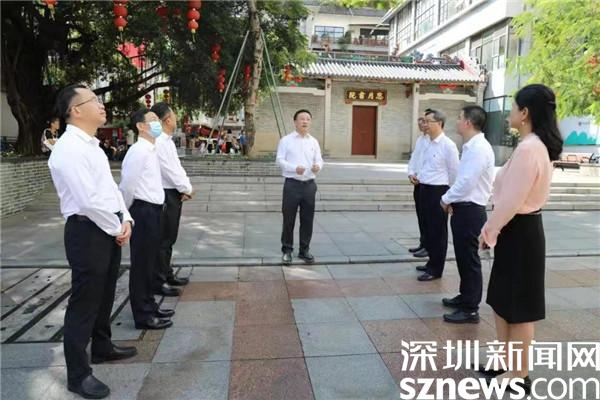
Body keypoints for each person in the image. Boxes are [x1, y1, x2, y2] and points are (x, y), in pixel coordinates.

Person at [48, 84, 136, 399]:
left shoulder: (92, 146)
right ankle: (78, 375)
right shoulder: (68, 149)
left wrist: (126, 219)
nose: (101, 105)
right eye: (94, 100)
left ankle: (102, 345)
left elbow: (110, 190)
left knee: (106, 292)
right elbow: (86, 201)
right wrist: (116, 226)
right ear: (75, 110)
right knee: (84, 303)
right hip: (87, 231)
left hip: (108, 227)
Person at [479, 84, 562, 393]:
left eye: (513, 108)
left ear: (524, 113)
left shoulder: (530, 148)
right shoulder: (531, 144)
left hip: (519, 231)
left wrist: (489, 231)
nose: (509, 113)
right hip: (517, 230)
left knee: (520, 308)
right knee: (503, 301)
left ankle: (519, 373)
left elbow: (511, 202)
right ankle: (505, 362)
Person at [120, 109, 175, 330]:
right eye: (152, 120)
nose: (157, 123)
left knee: (150, 262)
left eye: (157, 120)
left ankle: (150, 305)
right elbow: (127, 187)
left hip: (154, 211)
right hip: (142, 212)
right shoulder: (138, 151)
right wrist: (126, 213)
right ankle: (143, 315)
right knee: (142, 265)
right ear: (140, 126)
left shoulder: (151, 150)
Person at [439, 106, 494, 324]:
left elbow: (467, 182)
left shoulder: (479, 148)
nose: (457, 120)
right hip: (465, 208)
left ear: (468, 122)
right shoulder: (472, 147)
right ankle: (465, 296)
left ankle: (471, 309)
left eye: (459, 117)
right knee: (463, 257)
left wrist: (446, 198)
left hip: (471, 210)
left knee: (469, 260)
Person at [151, 102, 193, 295]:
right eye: (174, 115)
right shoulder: (159, 142)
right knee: (163, 239)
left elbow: (177, 167)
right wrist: (186, 188)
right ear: (167, 120)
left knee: (170, 237)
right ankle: (159, 281)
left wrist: (185, 187)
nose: (176, 118)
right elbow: (168, 170)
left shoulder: (167, 141)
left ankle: (167, 273)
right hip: (165, 193)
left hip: (173, 192)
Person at [415, 109, 459, 281]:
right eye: (424, 121)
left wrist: (450, 197)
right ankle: (430, 262)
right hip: (424, 188)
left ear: (439, 123)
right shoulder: (427, 142)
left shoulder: (448, 145)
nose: (424, 124)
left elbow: (454, 172)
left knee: (437, 231)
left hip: (439, 191)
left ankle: (436, 268)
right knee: (428, 228)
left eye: (428, 121)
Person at [276, 109, 324, 265]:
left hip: (309, 185)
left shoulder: (314, 141)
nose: (305, 121)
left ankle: (304, 250)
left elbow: (320, 160)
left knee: (307, 219)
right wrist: (293, 168)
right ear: (295, 122)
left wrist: (318, 166)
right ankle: (287, 251)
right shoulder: (286, 140)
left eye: (308, 119)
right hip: (292, 184)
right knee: (288, 219)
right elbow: (279, 160)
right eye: (302, 119)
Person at [406, 116, 430, 258]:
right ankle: (423, 243)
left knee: (428, 218)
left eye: (424, 121)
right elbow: (414, 159)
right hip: (418, 183)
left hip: (429, 184)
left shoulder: (435, 142)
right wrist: (411, 173)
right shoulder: (420, 139)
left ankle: (429, 246)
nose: (421, 124)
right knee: (421, 215)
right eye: (420, 121)